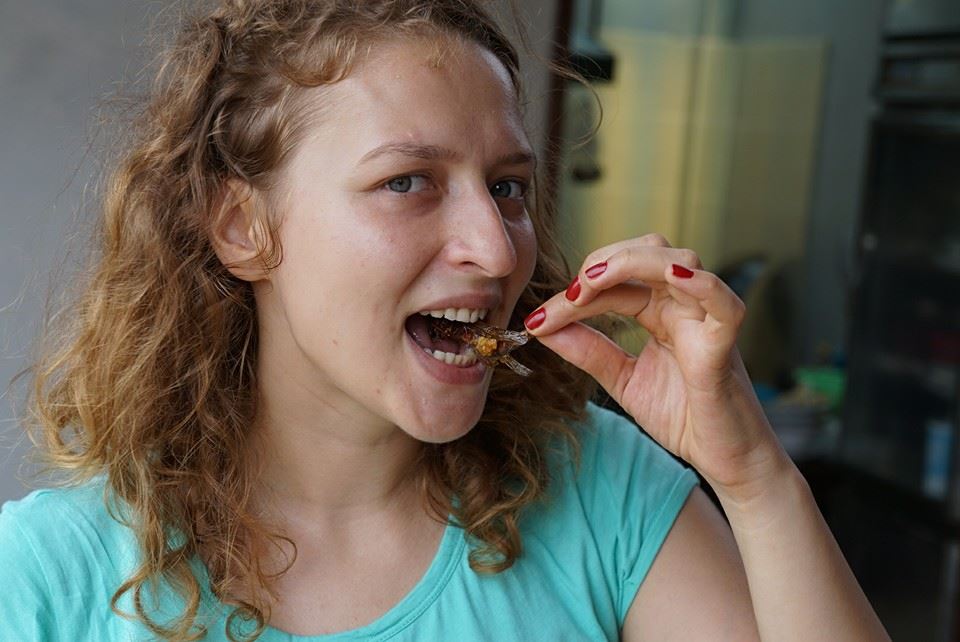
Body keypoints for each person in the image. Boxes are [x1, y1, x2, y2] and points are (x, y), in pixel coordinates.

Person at [0, 1, 890, 640]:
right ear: (243, 228)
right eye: (407, 182)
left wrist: (754, 477)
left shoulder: (606, 496)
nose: (497, 251)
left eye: (507, 187)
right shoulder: (46, 577)